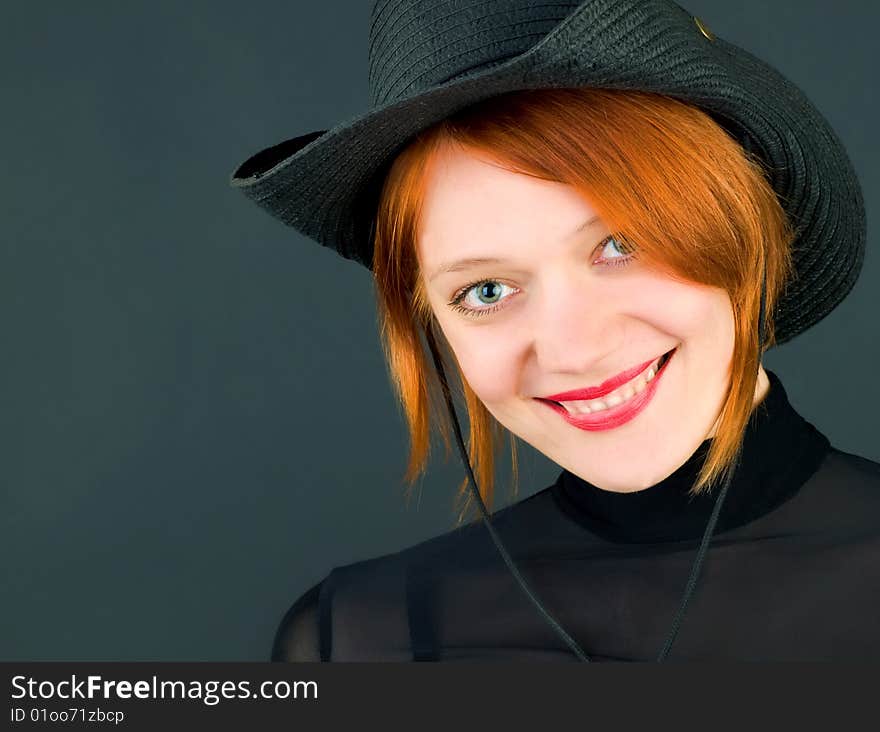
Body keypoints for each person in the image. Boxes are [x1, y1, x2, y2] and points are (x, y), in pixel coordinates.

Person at [229, 0, 879, 661]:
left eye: (622, 243)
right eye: (486, 291)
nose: (575, 349)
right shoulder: (355, 641)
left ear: (739, 225)